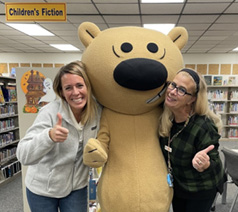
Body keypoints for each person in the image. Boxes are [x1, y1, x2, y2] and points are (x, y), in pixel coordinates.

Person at [16, 61, 101, 212]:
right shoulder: (49, 113)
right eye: (68, 88)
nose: (75, 93)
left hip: (76, 188)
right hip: (43, 190)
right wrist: (48, 136)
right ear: (61, 92)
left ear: (88, 86)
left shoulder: (97, 113)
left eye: (80, 85)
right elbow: (23, 155)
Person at [158, 68, 226, 212]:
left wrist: (205, 164)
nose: (172, 91)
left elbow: (213, 160)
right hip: (179, 184)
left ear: (192, 99)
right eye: (173, 85)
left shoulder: (203, 126)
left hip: (201, 188)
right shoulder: (167, 118)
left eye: (182, 90)